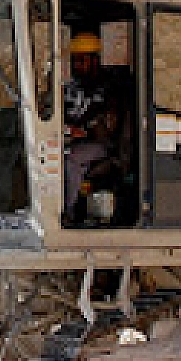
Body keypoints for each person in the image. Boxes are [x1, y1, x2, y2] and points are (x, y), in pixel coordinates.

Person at [62, 31, 132, 225]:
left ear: (94, 60)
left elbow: (110, 124)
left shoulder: (108, 89)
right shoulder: (69, 87)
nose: (77, 65)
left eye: (81, 60)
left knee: (72, 159)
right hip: (68, 137)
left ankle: (68, 211)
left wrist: (84, 130)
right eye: (74, 60)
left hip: (99, 144)